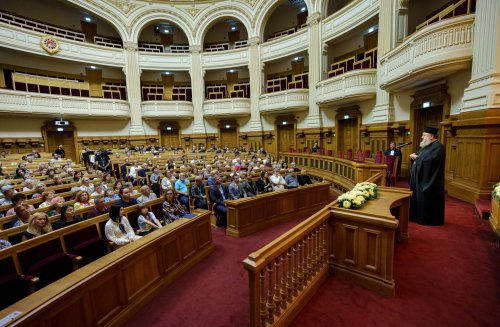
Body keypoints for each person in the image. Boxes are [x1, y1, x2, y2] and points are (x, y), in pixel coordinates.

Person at [409, 126, 446, 226]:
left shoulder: (439, 147)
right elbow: (421, 156)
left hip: (430, 180)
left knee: (426, 199)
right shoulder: (426, 145)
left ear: (432, 136)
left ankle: (426, 219)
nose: (422, 137)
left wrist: (417, 158)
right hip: (420, 178)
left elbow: (431, 162)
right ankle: (416, 216)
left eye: (424, 135)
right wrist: (415, 156)